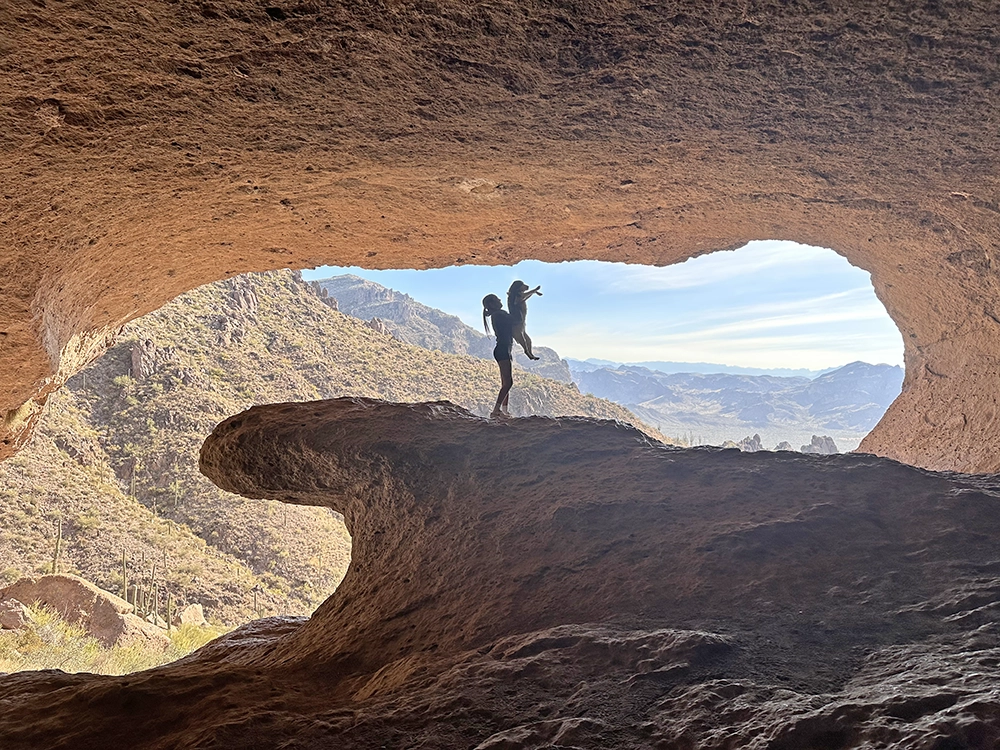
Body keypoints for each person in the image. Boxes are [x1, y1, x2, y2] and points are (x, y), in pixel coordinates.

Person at [483, 294, 514, 419]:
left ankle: (504, 411)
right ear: (491, 304)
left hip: (502, 349)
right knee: (508, 383)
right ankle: (496, 410)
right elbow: (515, 319)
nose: (500, 300)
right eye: (497, 300)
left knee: (506, 383)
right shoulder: (499, 314)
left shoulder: (497, 315)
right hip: (503, 350)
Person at [506, 280, 542, 360]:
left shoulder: (517, 296)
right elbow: (524, 296)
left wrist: (534, 292)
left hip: (521, 323)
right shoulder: (515, 297)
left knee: (528, 340)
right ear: (518, 287)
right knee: (523, 340)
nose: (525, 286)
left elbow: (525, 297)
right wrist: (534, 290)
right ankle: (528, 353)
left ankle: (530, 353)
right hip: (517, 323)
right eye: (523, 285)